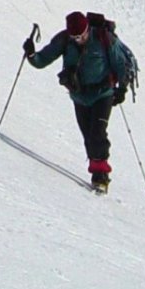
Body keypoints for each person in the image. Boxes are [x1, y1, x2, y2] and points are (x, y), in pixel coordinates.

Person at [22, 11, 135, 191]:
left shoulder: (102, 38)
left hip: (103, 94)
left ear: (87, 29)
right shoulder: (64, 40)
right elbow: (42, 60)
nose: (79, 39)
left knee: (97, 132)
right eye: (75, 36)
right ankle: (97, 169)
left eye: (82, 35)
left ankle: (101, 176)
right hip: (79, 96)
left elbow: (120, 63)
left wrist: (122, 88)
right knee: (88, 136)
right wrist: (30, 54)